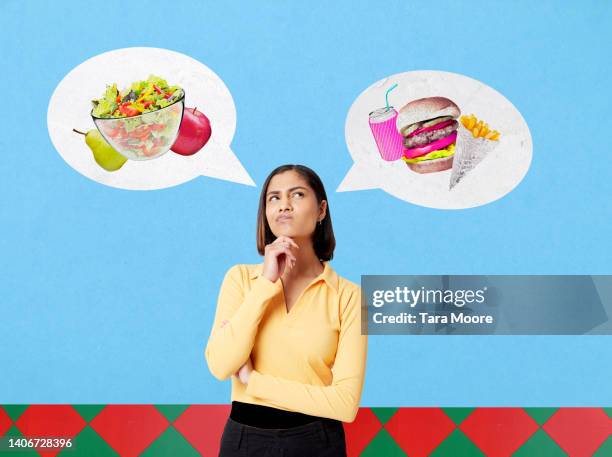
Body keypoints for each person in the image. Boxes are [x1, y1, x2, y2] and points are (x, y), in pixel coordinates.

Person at [205, 164, 368, 457]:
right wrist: (266, 283)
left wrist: (254, 382)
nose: (284, 206)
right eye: (274, 198)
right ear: (265, 213)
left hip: (316, 442)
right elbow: (220, 365)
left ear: (321, 210)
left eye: (297, 195)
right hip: (244, 441)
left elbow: (345, 404)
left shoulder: (350, 297)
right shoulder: (241, 280)